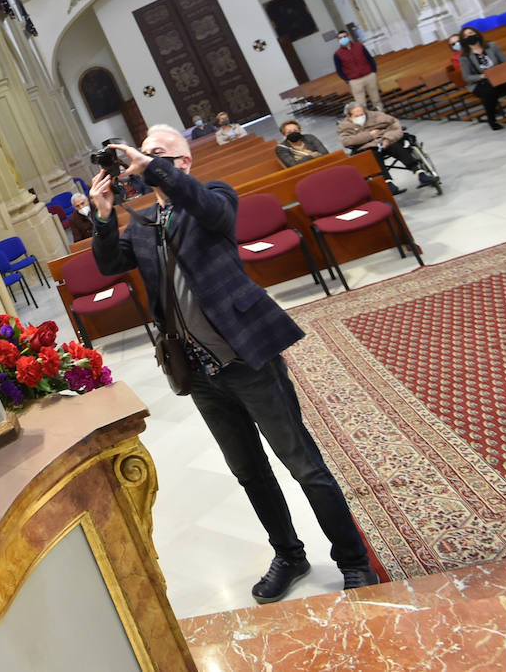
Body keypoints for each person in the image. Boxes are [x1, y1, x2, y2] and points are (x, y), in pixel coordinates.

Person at [88, 126, 380, 603]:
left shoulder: (214, 200)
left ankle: (353, 560)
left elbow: (208, 208)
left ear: (184, 162)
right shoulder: (144, 224)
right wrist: (102, 215)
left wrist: (151, 166)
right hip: (199, 373)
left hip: (245, 356)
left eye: (160, 154)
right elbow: (107, 265)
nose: (147, 159)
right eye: (145, 153)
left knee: (303, 464)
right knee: (249, 471)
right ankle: (289, 554)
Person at [337, 104, 437, 190]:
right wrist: (370, 135)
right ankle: (388, 183)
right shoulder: (344, 126)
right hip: (367, 147)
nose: (361, 116)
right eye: (357, 115)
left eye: (362, 114)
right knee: (372, 156)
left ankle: (420, 173)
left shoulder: (376, 116)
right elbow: (347, 141)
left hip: (386, 140)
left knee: (397, 146)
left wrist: (387, 138)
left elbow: (394, 125)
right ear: (349, 117)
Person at [458, 30, 506, 130]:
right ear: (463, 40)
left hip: (498, 76)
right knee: (489, 91)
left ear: (477, 34)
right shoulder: (465, 56)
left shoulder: (492, 46)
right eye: (465, 36)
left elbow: (505, 61)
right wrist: (481, 76)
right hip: (480, 83)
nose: (469, 36)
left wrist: (500, 71)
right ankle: (492, 119)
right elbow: (467, 77)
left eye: (470, 33)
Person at [333, 28, 383, 113]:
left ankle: (382, 117)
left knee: (376, 99)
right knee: (361, 104)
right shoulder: (337, 54)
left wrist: (373, 71)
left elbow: (370, 58)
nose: (343, 39)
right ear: (338, 40)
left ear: (348, 37)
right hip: (355, 80)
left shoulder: (359, 46)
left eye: (345, 36)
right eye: (340, 38)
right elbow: (339, 70)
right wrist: (348, 80)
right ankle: (367, 122)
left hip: (369, 76)